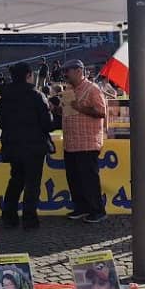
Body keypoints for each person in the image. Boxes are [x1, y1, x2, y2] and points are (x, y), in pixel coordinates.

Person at [0, 62, 55, 229]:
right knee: (32, 184)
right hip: (34, 147)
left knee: (16, 181)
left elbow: (1, 121)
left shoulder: (5, 96)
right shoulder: (36, 96)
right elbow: (47, 124)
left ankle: (9, 217)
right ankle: (29, 219)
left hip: (13, 146)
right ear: (29, 75)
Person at [61, 59, 107, 223]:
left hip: (87, 143)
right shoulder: (69, 90)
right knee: (74, 179)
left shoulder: (92, 89)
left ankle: (97, 210)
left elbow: (102, 112)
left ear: (79, 71)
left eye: (68, 71)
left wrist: (80, 108)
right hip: (71, 143)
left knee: (89, 179)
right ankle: (81, 207)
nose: (65, 74)